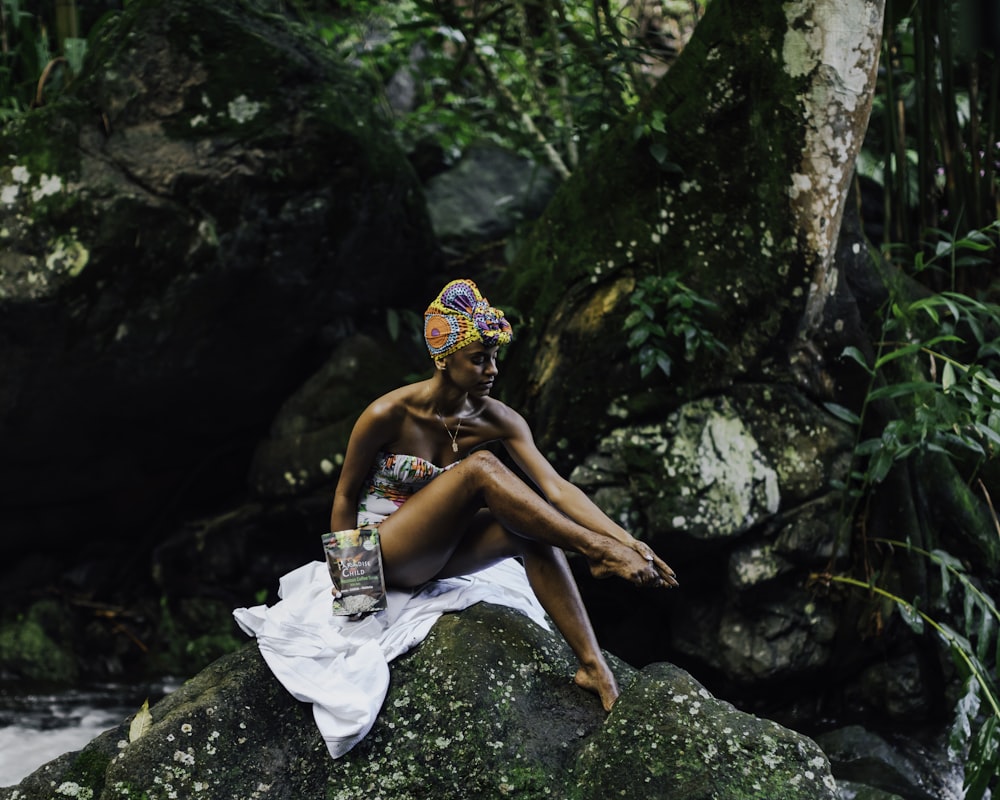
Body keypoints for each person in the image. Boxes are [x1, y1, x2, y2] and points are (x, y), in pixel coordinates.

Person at [330, 278, 678, 711]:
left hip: (440, 552)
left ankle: (595, 668)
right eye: (479, 360)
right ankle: (595, 552)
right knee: (481, 469)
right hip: (386, 552)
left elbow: (557, 488)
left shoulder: (499, 419)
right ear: (443, 359)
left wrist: (627, 540)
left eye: (494, 359)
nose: (492, 371)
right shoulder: (387, 413)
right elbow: (344, 497)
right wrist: (355, 589)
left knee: (527, 528)